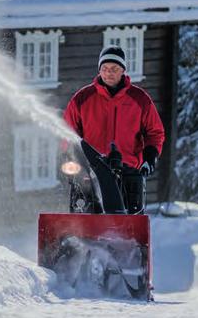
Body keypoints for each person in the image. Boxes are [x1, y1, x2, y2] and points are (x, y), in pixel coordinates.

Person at [63, 46, 165, 214]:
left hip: (128, 173)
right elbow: (68, 132)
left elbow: (155, 133)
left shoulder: (139, 99)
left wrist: (150, 157)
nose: (108, 73)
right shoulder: (83, 98)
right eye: (104, 69)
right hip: (90, 172)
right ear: (99, 70)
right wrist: (70, 159)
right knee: (85, 218)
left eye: (114, 69)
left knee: (128, 221)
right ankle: (79, 239)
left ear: (123, 70)